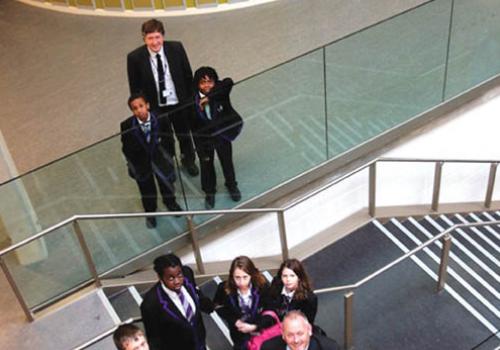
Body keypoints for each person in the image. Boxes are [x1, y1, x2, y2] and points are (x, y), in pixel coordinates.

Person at [127, 18, 199, 177]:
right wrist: (143, 109)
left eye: (157, 37)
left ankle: (189, 161)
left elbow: (188, 74)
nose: (154, 42)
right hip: (156, 107)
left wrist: (189, 99)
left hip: (179, 103)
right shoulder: (134, 58)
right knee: (164, 140)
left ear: (163, 36)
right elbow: (135, 88)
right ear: (144, 38)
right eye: (150, 38)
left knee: (184, 134)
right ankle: (168, 165)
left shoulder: (176, 48)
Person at [121, 93, 182, 229]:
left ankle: (170, 203)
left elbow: (169, 140)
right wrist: (134, 163)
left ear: (147, 105)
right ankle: (151, 212)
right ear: (132, 111)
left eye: (141, 106)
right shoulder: (126, 125)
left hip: (160, 159)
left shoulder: (161, 119)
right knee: (146, 190)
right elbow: (126, 147)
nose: (139, 110)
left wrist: (169, 158)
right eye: (135, 108)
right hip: (142, 163)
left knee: (166, 184)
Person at [191, 66, 243, 209]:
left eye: (210, 81)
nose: (207, 85)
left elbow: (228, 81)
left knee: (227, 162)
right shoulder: (192, 100)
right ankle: (210, 192)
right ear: (197, 84)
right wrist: (198, 145)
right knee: (206, 166)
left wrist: (209, 97)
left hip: (222, 136)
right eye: (202, 82)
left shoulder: (220, 93)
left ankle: (231, 185)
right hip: (204, 140)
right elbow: (191, 125)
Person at [140, 253, 213, 350]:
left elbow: (196, 292)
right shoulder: (151, 304)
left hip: (200, 344)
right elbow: (154, 340)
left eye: (179, 275)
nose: (177, 281)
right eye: (171, 278)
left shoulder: (187, 274)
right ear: (160, 277)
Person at [213, 256, 274, 350]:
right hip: (239, 336)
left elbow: (270, 308)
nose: (241, 282)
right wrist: (234, 321)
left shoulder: (262, 286)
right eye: (237, 277)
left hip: (262, 332)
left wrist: (255, 326)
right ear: (232, 276)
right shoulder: (224, 288)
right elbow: (218, 306)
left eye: (245, 277)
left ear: (251, 275)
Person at [265, 259, 318, 326]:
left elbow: (308, 323)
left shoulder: (309, 298)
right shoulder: (276, 286)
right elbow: (268, 308)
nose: (288, 280)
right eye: (284, 276)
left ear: (299, 277)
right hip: (274, 328)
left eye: (292, 276)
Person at [261, 311, 340, 350]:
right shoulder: (268, 348)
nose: (296, 340)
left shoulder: (330, 348)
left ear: (309, 330)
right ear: (283, 334)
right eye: (290, 335)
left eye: (300, 333)